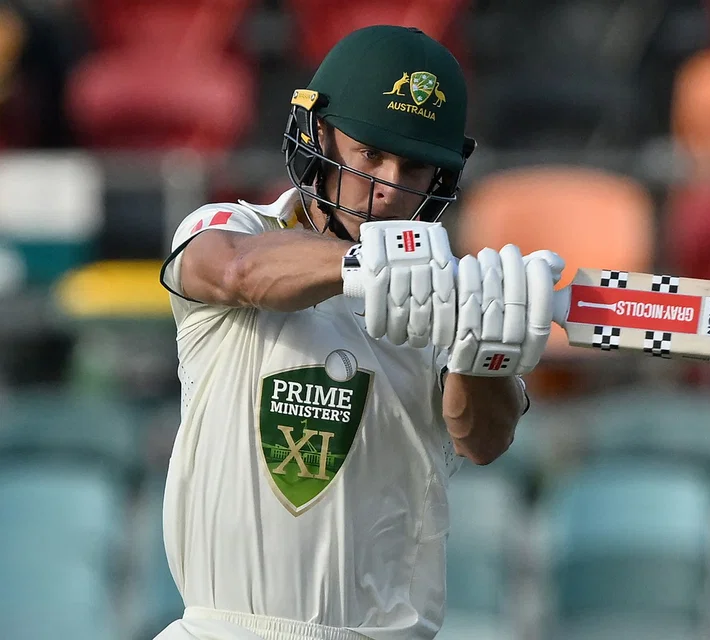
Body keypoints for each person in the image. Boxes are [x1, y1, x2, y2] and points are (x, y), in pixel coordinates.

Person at [156, 24, 563, 640]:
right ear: (318, 135)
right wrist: (366, 265)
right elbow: (235, 269)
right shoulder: (236, 225)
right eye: (369, 155)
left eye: (416, 167)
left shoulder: (444, 291)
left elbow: (484, 440)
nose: (388, 191)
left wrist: (487, 357)